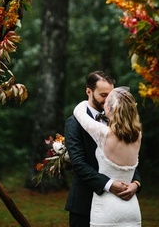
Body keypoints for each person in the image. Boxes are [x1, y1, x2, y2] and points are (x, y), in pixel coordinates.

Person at [65, 71, 141, 227]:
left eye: (111, 95)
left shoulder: (119, 123)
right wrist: (109, 184)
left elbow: (131, 158)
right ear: (88, 91)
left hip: (120, 204)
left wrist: (136, 182)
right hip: (84, 202)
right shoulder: (74, 123)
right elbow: (78, 163)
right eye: (103, 94)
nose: (108, 100)